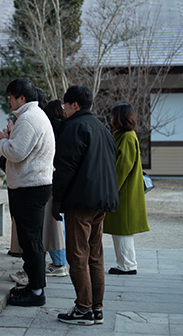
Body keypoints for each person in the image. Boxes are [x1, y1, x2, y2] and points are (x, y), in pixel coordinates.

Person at [51, 85, 119, 325]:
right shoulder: (102, 128)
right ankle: (96, 308)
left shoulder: (74, 127)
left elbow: (64, 167)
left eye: (66, 106)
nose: (64, 110)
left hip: (80, 201)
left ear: (74, 105)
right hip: (102, 201)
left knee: (77, 256)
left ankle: (83, 309)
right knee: (95, 255)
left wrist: (56, 200)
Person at [0, 78, 55, 307]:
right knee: (30, 240)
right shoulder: (31, 117)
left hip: (31, 187)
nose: (8, 100)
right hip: (31, 185)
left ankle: (37, 292)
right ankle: (33, 286)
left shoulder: (29, 119)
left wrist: (2, 142)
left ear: (22, 98)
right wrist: (9, 139)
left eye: (11, 96)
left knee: (31, 241)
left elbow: (16, 153)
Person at [103, 103, 150, 275]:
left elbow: (122, 167)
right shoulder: (126, 136)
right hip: (124, 191)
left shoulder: (127, 137)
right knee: (122, 229)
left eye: (113, 115)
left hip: (124, 192)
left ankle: (127, 265)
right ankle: (125, 264)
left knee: (123, 229)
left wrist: (111, 188)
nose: (111, 118)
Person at [42, 100, 68, 277]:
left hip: (49, 178)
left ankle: (59, 263)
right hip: (64, 180)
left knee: (53, 223)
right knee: (61, 223)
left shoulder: (48, 127)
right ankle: (60, 260)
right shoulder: (67, 127)